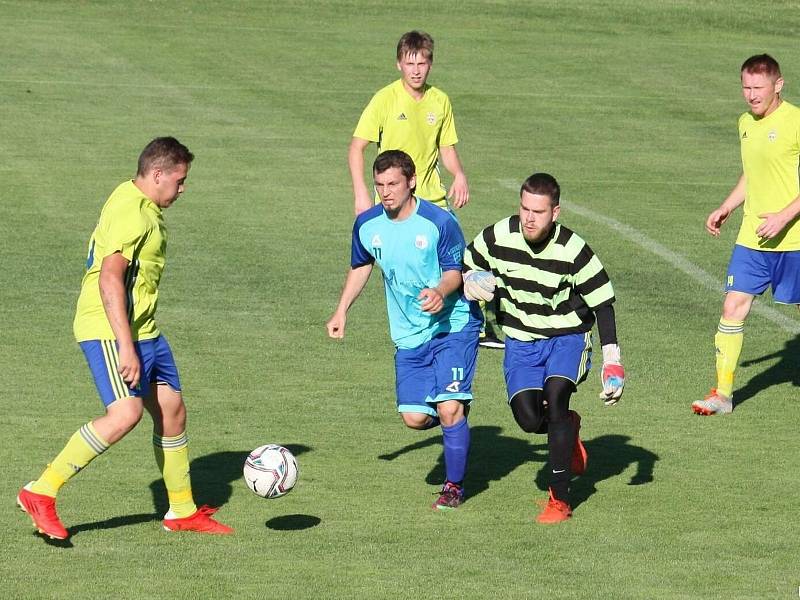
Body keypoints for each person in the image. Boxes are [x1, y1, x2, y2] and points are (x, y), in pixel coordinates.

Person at [17, 137, 232, 539]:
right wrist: (126, 346)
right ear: (157, 175)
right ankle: (41, 491)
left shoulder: (136, 200)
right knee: (126, 414)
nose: (182, 188)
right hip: (109, 328)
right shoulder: (132, 213)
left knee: (171, 410)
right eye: (180, 180)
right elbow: (110, 280)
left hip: (145, 328)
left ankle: (182, 509)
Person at [463, 172, 624, 523]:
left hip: (567, 335)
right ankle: (568, 429)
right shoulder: (498, 235)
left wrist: (612, 360)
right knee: (528, 418)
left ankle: (560, 500)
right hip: (520, 338)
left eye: (538, 211)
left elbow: (602, 302)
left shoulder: (573, 249)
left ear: (556, 212)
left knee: (556, 394)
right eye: (524, 209)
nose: (529, 218)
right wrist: (471, 278)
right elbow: (469, 260)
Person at [328, 149, 481, 510]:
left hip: (453, 324)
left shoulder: (439, 222)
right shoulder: (367, 225)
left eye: (393, 183)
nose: (385, 191)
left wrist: (441, 293)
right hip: (409, 333)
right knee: (414, 418)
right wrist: (341, 310)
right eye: (379, 184)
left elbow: (454, 272)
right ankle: (454, 410)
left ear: (411, 182)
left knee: (447, 409)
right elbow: (361, 264)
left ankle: (454, 486)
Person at [348, 30, 503, 349]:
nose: (416, 70)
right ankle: (422, 332)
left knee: (457, 260)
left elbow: (446, 148)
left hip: (432, 198)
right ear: (398, 65)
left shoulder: (440, 100)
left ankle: (474, 322)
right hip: (395, 204)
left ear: (430, 64)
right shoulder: (385, 99)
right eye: (410, 63)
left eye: (422, 63)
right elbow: (356, 148)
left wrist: (459, 174)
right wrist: (362, 193)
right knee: (414, 270)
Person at [692, 54, 800, 416]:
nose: (751, 95)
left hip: (795, 239)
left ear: (778, 85)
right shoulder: (745, 123)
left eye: (758, 88)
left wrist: (784, 217)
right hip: (753, 239)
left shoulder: (796, 122)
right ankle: (723, 395)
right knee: (732, 307)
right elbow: (751, 174)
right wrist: (726, 207)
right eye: (746, 88)